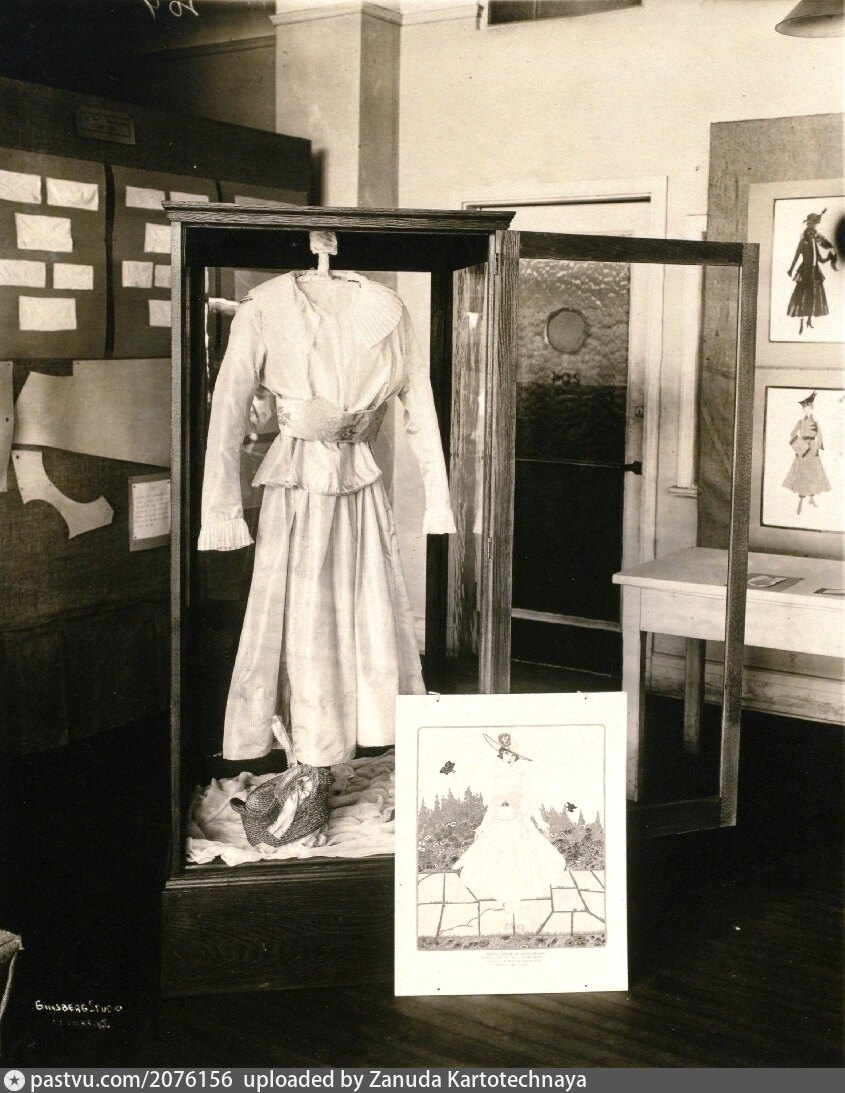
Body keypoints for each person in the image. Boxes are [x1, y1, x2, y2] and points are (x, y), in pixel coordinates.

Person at [453, 733, 569, 931]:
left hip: (516, 824)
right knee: (500, 867)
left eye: (512, 755)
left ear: (516, 758)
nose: (509, 757)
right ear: (501, 754)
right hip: (498, 825)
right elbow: (492, 805)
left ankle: (516, 915)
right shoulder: (495, 776)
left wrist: (540, 821)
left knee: (517, 867)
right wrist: (483, 826)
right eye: (506, 753)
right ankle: (508, 910)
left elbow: (528, 801)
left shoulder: (520, 776)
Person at [787, 210, 838, 335]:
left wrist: (830, 257)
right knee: (802, 296)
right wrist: (791, 269)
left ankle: (809, 321)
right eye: (811, 227)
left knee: (813, 296)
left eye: (814, 227)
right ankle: (801, 323)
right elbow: (796, 256)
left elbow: (820, 259)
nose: (813, 230)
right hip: (805, 272)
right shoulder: (803, 242)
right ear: (808, 227)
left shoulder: (814, 241)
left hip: (814, 272)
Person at [783, 392, 831, 515]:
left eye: (809, 408)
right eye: (805, 409)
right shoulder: (800, 422)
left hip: (813, 449)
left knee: (813, 472)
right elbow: (792, 434)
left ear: (812, 409)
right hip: (803, 450)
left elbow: (820, 435)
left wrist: (817, 448)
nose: (807, 411)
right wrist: (799, 447)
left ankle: (811, 498)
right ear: (803, 410)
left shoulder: (816, 423)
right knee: (802, 473)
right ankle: (800, 500)